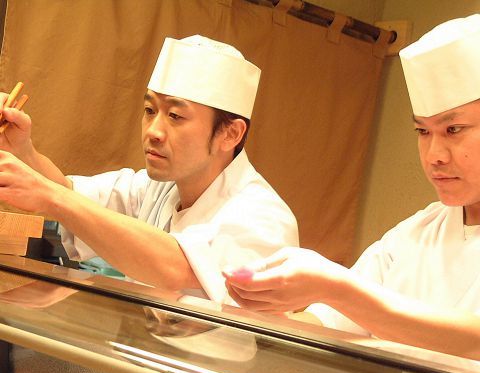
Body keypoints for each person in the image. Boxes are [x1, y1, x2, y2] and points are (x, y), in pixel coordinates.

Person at [224, 14, 480, 361]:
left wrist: (335, 287)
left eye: (453, 130)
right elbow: (331, 322)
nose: (433, 155)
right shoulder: (417, 235)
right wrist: (248, 321)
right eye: (422, 132)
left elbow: (472, 341)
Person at [0, 35, 298, 304]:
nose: (153, 131)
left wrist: (49, 195)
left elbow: (176, 267)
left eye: (175, 116)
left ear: (230, 134)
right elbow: (72, 194)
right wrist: (23, 149)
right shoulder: (160, 187)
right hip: (142, 355)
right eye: (150, 111)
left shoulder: (264, 218)